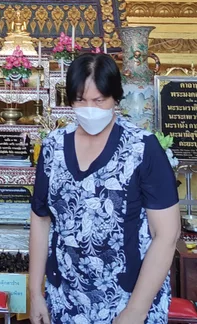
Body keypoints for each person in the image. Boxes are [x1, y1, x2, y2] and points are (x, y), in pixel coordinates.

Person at [29, 53, 180, 324]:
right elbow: (41, 219)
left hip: (127, 298)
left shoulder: (142, 148)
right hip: (66, 298)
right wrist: (35, 293)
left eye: (99, 100)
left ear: (115, 98)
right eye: (80, 100)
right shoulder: (53, 146)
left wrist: (136, 311)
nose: (89, 109)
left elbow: (167, 234)